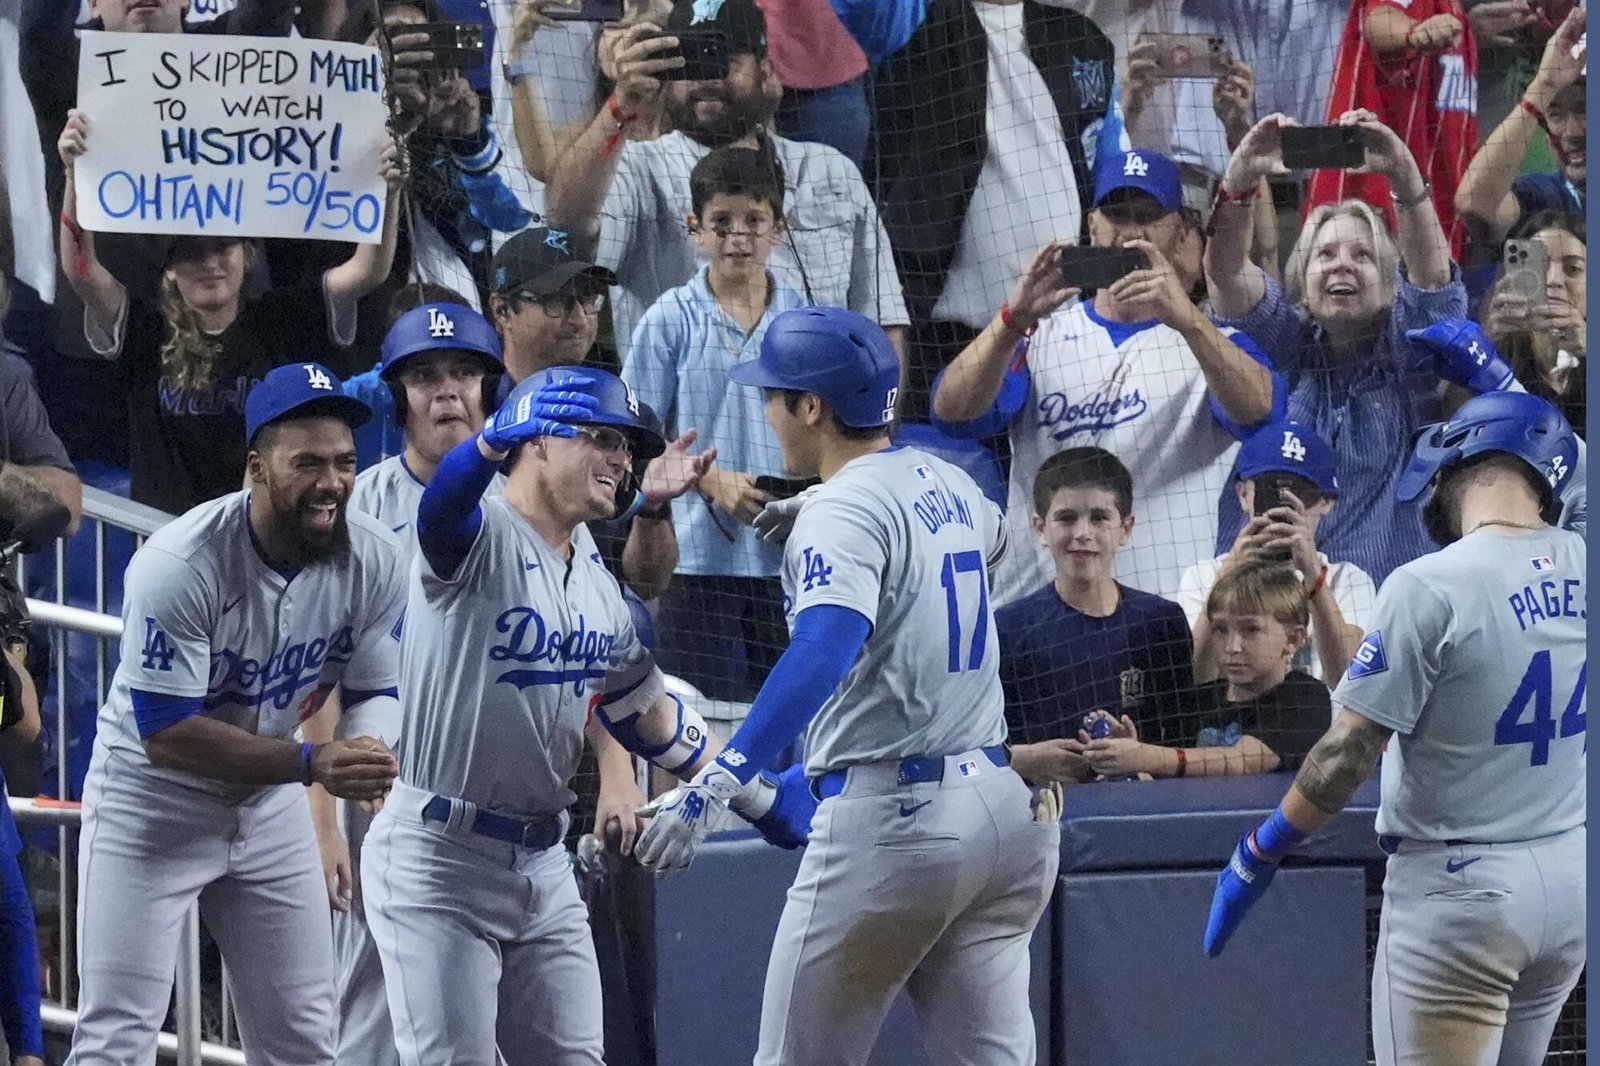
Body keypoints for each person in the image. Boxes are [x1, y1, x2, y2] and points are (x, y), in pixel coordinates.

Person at [634, 307, 1060, 1066]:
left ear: (811, 407)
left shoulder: (841, 510)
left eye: (773, 394)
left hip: (901, 825)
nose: (766, 408)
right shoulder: (946, 476)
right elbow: (988, 539)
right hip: (1004, 816)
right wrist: (811, 511)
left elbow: (825, 649)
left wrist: (717, 784)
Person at [358, 367, 809, 1066]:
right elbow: (439, 517)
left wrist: (757, 795)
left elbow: (651, 715)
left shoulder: (599, 583)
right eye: (600, 437)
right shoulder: (482, 537)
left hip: (543, 861)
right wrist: (485, 446)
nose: (622, 459)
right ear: (535, 441)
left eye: (627, 446)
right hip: (437, 859)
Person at [1203, 391, 1585, 1066]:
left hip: (1461, 892)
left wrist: (1261, 850)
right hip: (1571, 877)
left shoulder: (1429, 584)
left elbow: (1346, 753)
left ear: (1454, 463)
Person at [63, 363, 408, 1066]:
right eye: (307, 462)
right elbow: (168, 735)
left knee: (305, 1042)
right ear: (257, 468)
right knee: (115, 1040)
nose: (333, 481)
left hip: (267, 804)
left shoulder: (372, 557)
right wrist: (315, 764)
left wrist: (369, 746)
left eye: (344, 462)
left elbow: (377, 688)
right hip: (151, 805)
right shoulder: (180, 563)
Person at [933, 147, 1284, 604]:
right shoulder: (1039, 333)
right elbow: (951, 413)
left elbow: (1263, 412)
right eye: (1116, 214)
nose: (1131, 231)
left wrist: (1188, 320)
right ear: (1091, 225)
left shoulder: (1214, 343)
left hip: (1161, 612)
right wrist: (1010, 320)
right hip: (1034, 613)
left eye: (1149, 215)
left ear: (1180, 233)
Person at [55, 109, 404, 515]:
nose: (210, 263)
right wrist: (75, 175)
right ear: (169, 268)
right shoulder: (146, 327)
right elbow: (81, 271)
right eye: (191, 252)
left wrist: (388, 190)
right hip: (166, 540)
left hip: (261, 539)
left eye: (223, 247)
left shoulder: (282, 318)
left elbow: (368, 270)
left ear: (248, 255)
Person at [545, 0, 909, 367]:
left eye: (723, 58)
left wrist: (882, 421)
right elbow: (566, 220)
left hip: (815, 415)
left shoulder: (830, 170)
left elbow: (883, 319)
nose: (705, 79)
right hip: (679, 420)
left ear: (765, 70)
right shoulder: (638, 167)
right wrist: (619, 106)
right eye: (688, 58)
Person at [1205, 109, 1465, 585]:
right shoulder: (1292, 344)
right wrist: (1241, 176)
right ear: (1302, 280)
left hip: (1380, 619)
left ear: (1391, 282)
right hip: (1267, 603)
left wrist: (1403, 173)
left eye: (1362, 255)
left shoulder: (1413, 354)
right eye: (1324, 254)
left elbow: (1432, 280)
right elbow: (1224, 274)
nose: (1340, 266)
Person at [833, 0, 1121, 418]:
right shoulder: (911, 21)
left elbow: (1107, 170)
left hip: (1067, 339)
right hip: (946, 341)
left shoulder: (1080, 37)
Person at [623, 146, 804, 701]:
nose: (738, 237)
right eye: (721, 223)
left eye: (754, 221)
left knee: (792, 721)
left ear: (779, 228)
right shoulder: (669, 319)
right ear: (694, 228)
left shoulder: (802, 321)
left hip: (788, 562)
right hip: (696, 561)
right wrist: (705, 478)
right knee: (691, 719)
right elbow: (635, 437)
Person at [997, 446, 1194, 786]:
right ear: (1040, 528)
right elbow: (976, 747)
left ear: (1126, 528)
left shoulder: (1161, 622)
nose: (1083, 533)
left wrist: (1145, 761)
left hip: (1142, 814)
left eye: (1100, 518)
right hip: (1037, 813)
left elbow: (1184, 737)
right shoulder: (1008, 629)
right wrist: (1020, 761)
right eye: (1066, 517)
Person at [1083, 561, 1332, 780]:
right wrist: (1131, 756)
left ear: (1293, 638)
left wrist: (1145, 757)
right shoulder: (1198, 700)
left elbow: (1241, 762)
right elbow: (1170, 769)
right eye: (1221, 630)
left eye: (1250, 630)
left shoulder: (1305, 697)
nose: (1232, 647)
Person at [1178, 421, 1374, 685]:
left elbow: (1349, 681)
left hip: (1321, 726)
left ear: (1327, 502)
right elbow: (1193, 679)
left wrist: (1313, 576)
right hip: (1234, 725)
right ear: (1243, 494)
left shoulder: (1348, 580)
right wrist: (1229, 575)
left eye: (1300, 494)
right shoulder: (1203, 576)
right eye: (1271, 492)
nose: (1286, 509)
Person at [1307, 0, 1478, 255]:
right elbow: (1378, 18)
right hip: (1373, 219)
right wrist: (1415, 32)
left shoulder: (1451, 9)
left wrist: (1473, 27)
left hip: (1434, 215)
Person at [1456, 7, 1586, 246]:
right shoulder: (1549, 196)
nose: (1572, 132)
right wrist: (1543, 86)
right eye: (1555, 115)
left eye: (1584, 109)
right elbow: (1474, 203)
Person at [1476, 211, 1585, 434]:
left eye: (1573, 268)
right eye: (1540, 265)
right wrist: (1484, 352)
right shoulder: (1489, 358)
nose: (1554, 281)